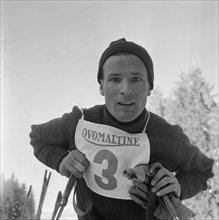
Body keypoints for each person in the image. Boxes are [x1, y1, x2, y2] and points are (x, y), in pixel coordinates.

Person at [29, 38, 214, 220]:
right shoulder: (80, 122)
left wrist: (180, 187)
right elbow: (38, 137)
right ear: (101, 86)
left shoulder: (168, 136)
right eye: (115, 79)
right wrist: (61, 160)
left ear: (150, 86)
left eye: (136, 79)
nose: (125, 89)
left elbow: (204, 169)